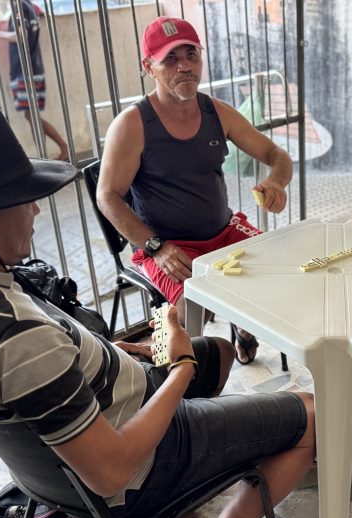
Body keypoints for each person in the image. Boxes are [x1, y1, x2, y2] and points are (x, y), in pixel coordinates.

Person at [0, 97, 315, 518]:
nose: (37, 209)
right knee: (311, 415)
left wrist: (102, 352)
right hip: (132, 466)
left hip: (94, 422)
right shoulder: (17, 341)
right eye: (23, 199)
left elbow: (34, 367)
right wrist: (179, 371)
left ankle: (206, 464)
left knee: (220, 352)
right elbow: (111, 470)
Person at [96, 16, 292, 364]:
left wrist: (276, 180)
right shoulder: (132, 124)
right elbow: (107, 196)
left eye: (191, 55)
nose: (185, 66)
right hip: (168, 244)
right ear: (149, 66)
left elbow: (276, 154)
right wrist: (156, 247)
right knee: (190, 303)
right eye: (171, 58)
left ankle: (243, 330)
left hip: (224, 230)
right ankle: (187, 385)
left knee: (278, 265)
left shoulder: (216, 111)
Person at [0, 0, 70, 161]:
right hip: (31, 69)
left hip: (26, 71)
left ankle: (52, 153)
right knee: (31, 115)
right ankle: (52, 152)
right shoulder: (30, 7)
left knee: (31, 116)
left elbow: (21, 34)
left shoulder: (20, 6)